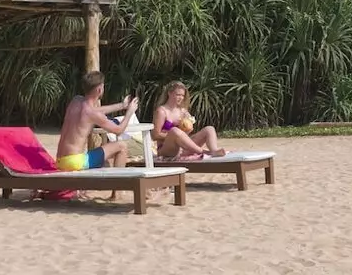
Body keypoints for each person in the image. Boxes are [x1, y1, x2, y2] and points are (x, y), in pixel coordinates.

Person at [56, 70, 139, 200]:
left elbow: (94, 110)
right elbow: (118, 130)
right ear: (99, 90)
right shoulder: (92, 113)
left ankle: (114, 190)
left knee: (106, 154)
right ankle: (116, 194)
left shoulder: (75, 101)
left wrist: (121, 105)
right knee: (121, 146)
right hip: (75, 162)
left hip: (61, 161)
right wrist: (129, 112)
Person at [152, 81, 225, 159]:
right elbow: (155, 135)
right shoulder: (161, 111)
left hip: (183, 147)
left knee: (209, 129)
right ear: (169, 93)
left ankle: (214, 149)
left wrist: (188, 129)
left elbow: (185, 133)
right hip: (166, 148)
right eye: (178, 95)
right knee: (174, 131)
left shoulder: (183, 111)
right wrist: (173, 135)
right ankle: (204, 152)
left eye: (182, 95)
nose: (181, 98)